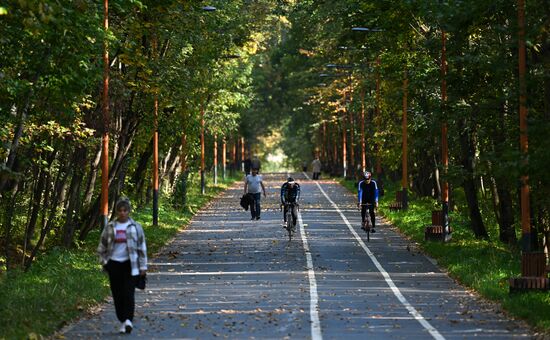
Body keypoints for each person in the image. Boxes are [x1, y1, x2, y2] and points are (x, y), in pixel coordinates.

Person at [97, 198, 148, 334]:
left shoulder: (136, 227)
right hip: (114, 264)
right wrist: (104, 262)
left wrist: (143, 267)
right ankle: (122, 319)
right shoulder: (110, 227)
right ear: (117, 211)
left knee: (128, 293)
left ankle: (128, 321)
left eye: (125, 210)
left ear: (129, 211)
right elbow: (101, 247)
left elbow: (142, 248)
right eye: (120, 210)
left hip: (130, 264)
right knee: (117, 293)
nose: (122, 213)